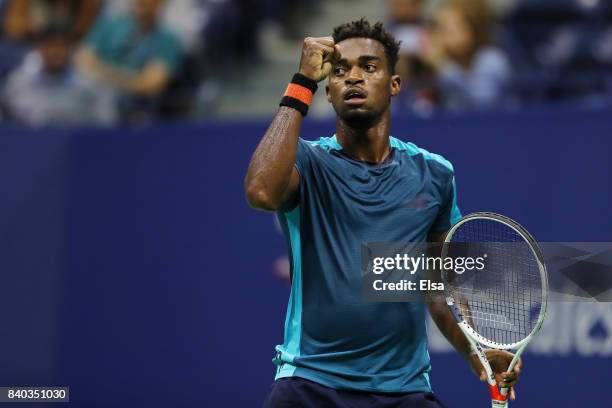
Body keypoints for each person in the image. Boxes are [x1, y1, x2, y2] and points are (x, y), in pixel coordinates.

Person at [245, 18, 522, 407]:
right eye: (340, 71)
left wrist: (479, 352)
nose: (353, 78)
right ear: (328, 91)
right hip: (310, 384)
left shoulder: (434, 174)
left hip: (403, 392)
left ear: (394, 85)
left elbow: (438, 288)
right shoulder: (307, 162)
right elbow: (260, 191)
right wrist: (300, 82)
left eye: (368, 67)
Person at [75, 0, 182, 120]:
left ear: (162, 2)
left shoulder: (168, 40)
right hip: (90, 96)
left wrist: (103, 72)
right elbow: (83, 59)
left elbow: (151, 84)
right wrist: (128, 78)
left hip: (132, 108)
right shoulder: (108, 24)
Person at [2, 24, 115, 126]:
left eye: (61, 46)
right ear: (40, 48)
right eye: (50, 45)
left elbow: (105, 125)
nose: (55, 52)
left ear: (71, 50)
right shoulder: (17, 84)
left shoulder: (90, 86)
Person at [422, 0, 512, 111]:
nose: (442, 37)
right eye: (440, 29)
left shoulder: (492, 59)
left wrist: (443, 68)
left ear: (473, 29)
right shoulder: (444, 61)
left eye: (449, 30)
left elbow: (482, 102)